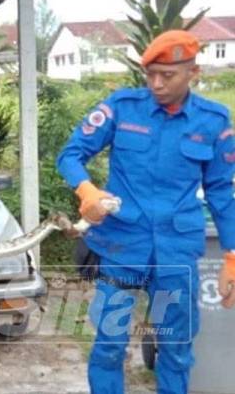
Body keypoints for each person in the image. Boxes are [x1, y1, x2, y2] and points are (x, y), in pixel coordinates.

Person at [57, 30, 235, 393]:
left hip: (175, 253)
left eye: (167, 75)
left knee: (176, 348)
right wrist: (86, 189)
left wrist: (232, 255)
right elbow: (71, 154)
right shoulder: (121, 108)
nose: (156, 83)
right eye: (149, 73)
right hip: (122, 249)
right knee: (109, 347)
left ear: (193, 73)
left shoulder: (213, 121)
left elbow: (221, 191)